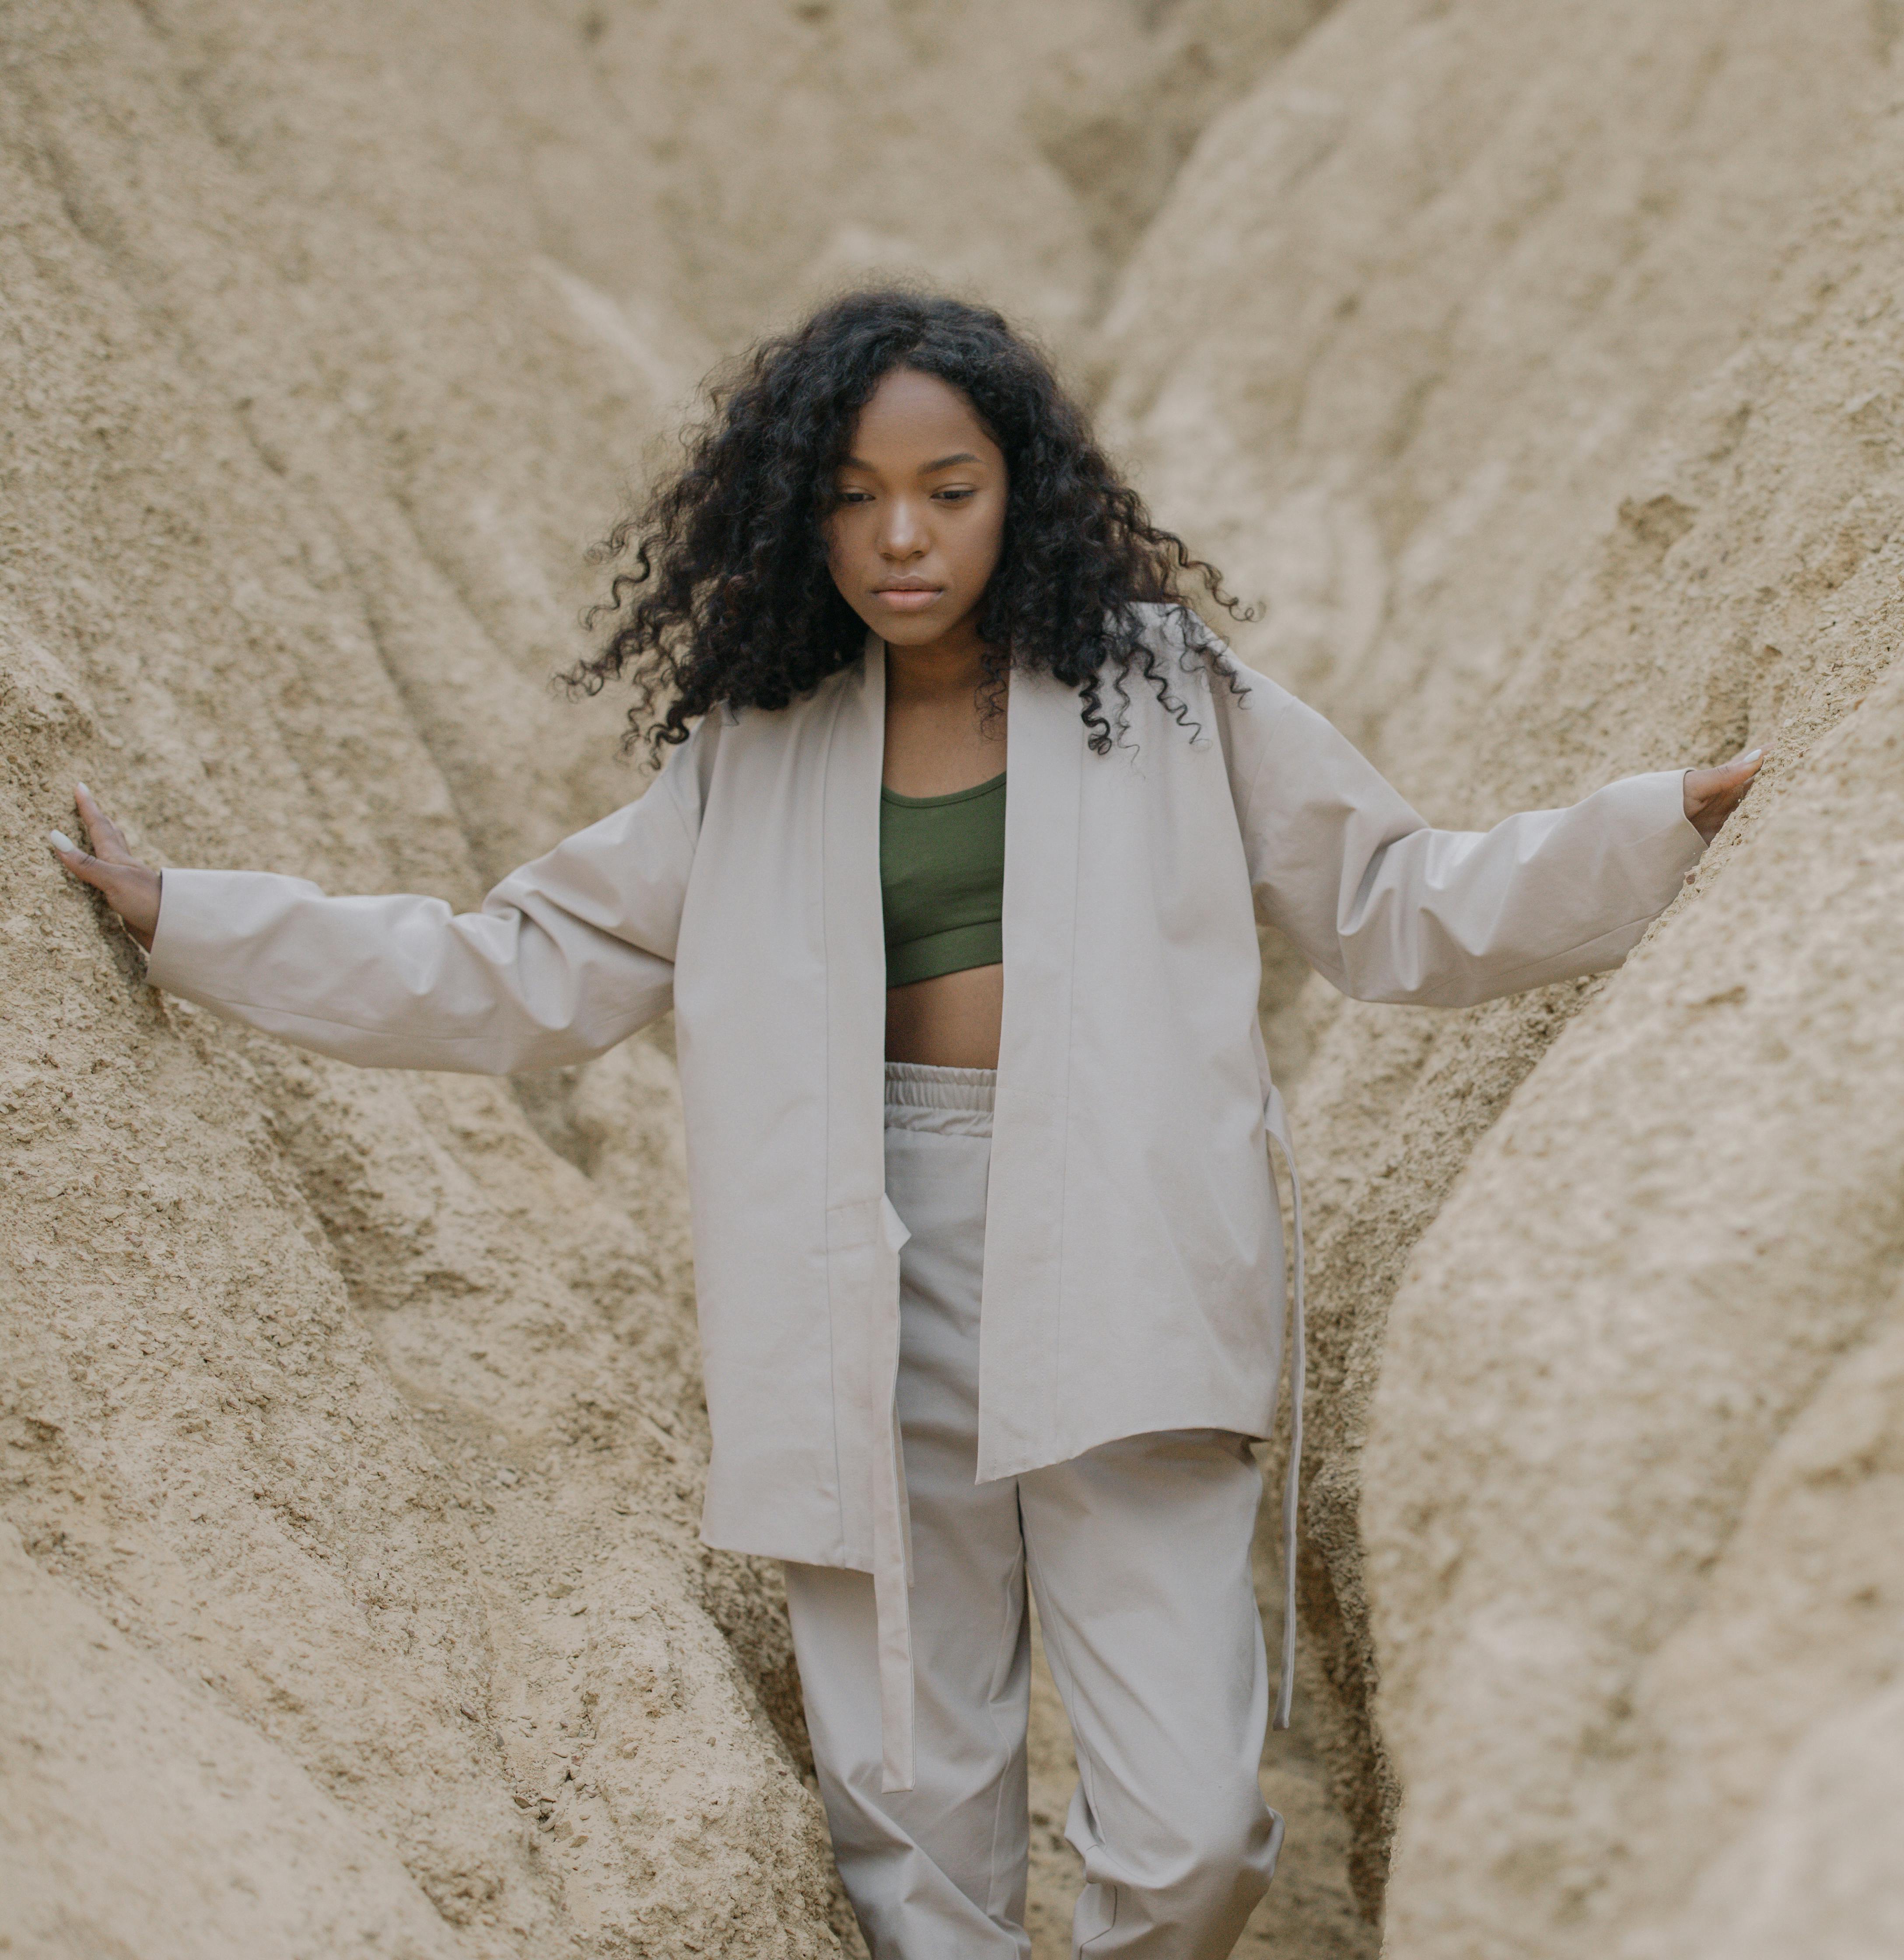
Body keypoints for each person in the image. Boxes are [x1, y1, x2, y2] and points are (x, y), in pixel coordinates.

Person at [48, 289, 1760, 1960]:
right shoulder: (758, 743)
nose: (901, 538)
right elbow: (521, 968)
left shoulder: (1168, 691)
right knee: (914, 1842)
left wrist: (1656, 830)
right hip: (857, 1263)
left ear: (1025, 492)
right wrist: (189, 922)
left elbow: (1398, 899)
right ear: (801, 513)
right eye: (854, 496)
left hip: (1123, 1243)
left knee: (1188, 1838)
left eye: (948, 490)